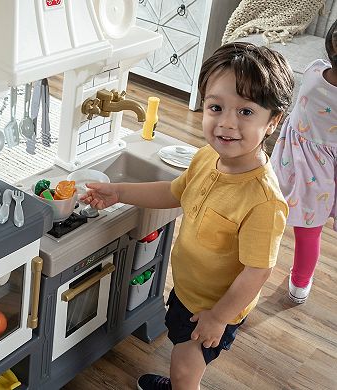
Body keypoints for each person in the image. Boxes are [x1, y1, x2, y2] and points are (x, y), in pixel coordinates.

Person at [80, 42, 294, 390]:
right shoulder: (206, 157)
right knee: (181, 350)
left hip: (216, 308)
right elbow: (174, 192)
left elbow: (259, 270)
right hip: (188, 290)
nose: (226, 123)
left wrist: (219, 318)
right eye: (216, 107)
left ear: (273, 121)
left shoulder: (263, 202)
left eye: (245, 112)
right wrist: (120, 193)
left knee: (184, 370)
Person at [271, 20, 337, 304]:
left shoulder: (313, 72)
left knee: (268, 207)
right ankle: (299, 285)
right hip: (325, 170)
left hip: (294, 159)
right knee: (310, 233)